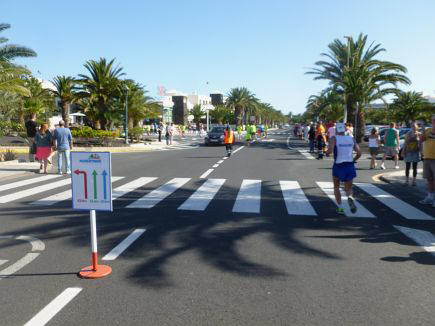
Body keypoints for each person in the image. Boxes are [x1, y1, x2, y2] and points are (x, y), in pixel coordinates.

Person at [326, 123, 361, 215]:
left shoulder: (334, 138)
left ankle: (340, 208)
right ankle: (350, 197)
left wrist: (326, 152)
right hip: (349, 165)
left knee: (336, 187)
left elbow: (329, 151)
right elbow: (359, 153)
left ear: (336, 130)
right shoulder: (351, 138)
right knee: (348, 188)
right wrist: (353, 160)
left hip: (338, 166)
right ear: (345, 130)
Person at [419, 115, 435, 207]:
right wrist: (423, 131)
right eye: (433, 121)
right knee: (430, 179)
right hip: (427, 157)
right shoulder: (428, 131)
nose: (434, 123)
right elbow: (421, 140)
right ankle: (430, 197)